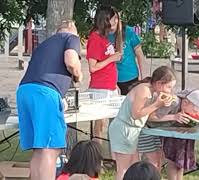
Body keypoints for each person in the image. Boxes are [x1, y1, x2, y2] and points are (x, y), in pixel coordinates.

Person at [16, 20, 82, 180]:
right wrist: (78, 74)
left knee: (39, 149)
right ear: (73, 31)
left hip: (24, 91)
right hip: (45, 93)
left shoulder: (44, 45)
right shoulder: (71, 38)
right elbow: (71, 61)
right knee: (51, 149)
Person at [109, 66, 176, 180]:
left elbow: (149, 116)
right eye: (169, 87)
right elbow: (136, 114)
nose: (170, 91)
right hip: (124, 129)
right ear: (159, 83)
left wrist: (168, 111)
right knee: (124, 169)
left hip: (133, 131)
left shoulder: (153, 92)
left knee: (135, 168)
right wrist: (157, 105)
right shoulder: (144, 90)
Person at [86, 6, 123, 144]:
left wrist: (114, 85)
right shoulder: (95, 38)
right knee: (99, 124)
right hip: (100, 88)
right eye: (114, 19)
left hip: (110, 87)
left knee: (113, 123)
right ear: (106, 20)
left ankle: (109, 154)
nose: (116, 22)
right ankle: (96, 155)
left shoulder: (104, 37)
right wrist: (112, 58)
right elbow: (93, 67)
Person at [162, 89, 199, 180]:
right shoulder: (174, 103)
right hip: (172, 135)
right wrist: (174, 117)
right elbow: (155, 117)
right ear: (185, 102)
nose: (195, 114)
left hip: (184, 135)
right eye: (194, 111)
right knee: (172, 161)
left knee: (180, 163)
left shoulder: (189, 106)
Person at [107, 7, 144, 95]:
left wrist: (143, 74)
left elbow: (139, 53)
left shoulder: (128, 32)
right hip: (111, 78)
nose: (112, 23)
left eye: (114, 19)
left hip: (130, 76)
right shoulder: (103, 34)